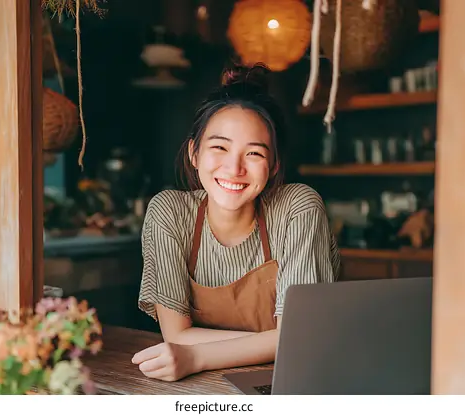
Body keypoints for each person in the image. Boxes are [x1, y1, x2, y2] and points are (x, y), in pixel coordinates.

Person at [131, 63, 340, 382]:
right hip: (200, 386)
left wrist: (196, 354)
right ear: (194, 153)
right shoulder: (170, 213)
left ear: (273, 166)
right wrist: (274, 341)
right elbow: (174, 334)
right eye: (219, 147)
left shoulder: (297, 208)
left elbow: (299, 340)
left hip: (289, 382)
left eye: (254, 154)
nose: (234, 168)